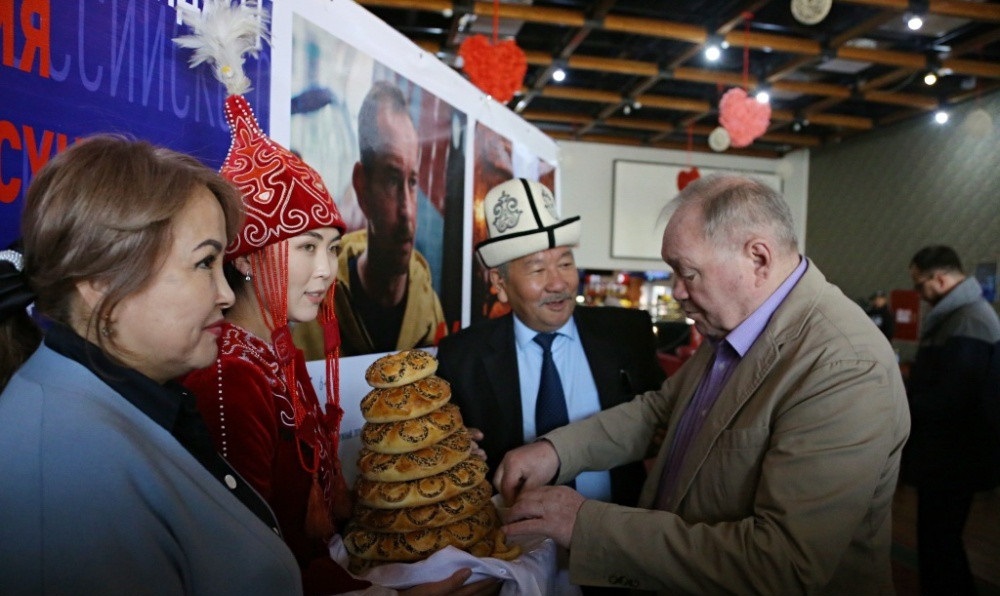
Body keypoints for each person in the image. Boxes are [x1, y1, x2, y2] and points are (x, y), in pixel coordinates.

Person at [176, 6, 495, 594]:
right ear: (245, 256)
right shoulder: (228, 375)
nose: (326, 271)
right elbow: (251, 561)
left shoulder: (279, 356)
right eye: (304, 249)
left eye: (331, 247)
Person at [492, 174, 910, 594]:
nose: (676, 292)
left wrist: (586, 524)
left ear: (758, 259)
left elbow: (782, 564)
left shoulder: (843, 365)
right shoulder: (735, 325)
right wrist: (555, 451)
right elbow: (659, 412)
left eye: (687, 273)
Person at [0, 134, 302, 593]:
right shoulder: (71, 468)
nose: (225, 294)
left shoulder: (116, 405)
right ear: (100, 280)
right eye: (204, 263)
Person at [436, 178, 665, 510]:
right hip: (512, 539)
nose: (558, 283)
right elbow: (453, 445)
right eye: (537, 269)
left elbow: (662, 420)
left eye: (566, 263)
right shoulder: (462, 356)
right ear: (500, 284)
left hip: (616, 529)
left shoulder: (626, 333)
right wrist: (455, 449)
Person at [294, 80, 445, 358]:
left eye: (411, 182)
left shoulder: (429, 306)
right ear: (362, 187)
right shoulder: (311, 310)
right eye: (390, 179)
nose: (407, 212)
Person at [903, 245, 1000, 596]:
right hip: (946, 454)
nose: (919, 294)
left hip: (953, 456)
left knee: (940, 542)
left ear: (940, 279)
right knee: (937, 540)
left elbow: (952, 396)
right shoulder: (958, 316)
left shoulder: (968, 319)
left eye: (919, 285)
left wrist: (903, 406)